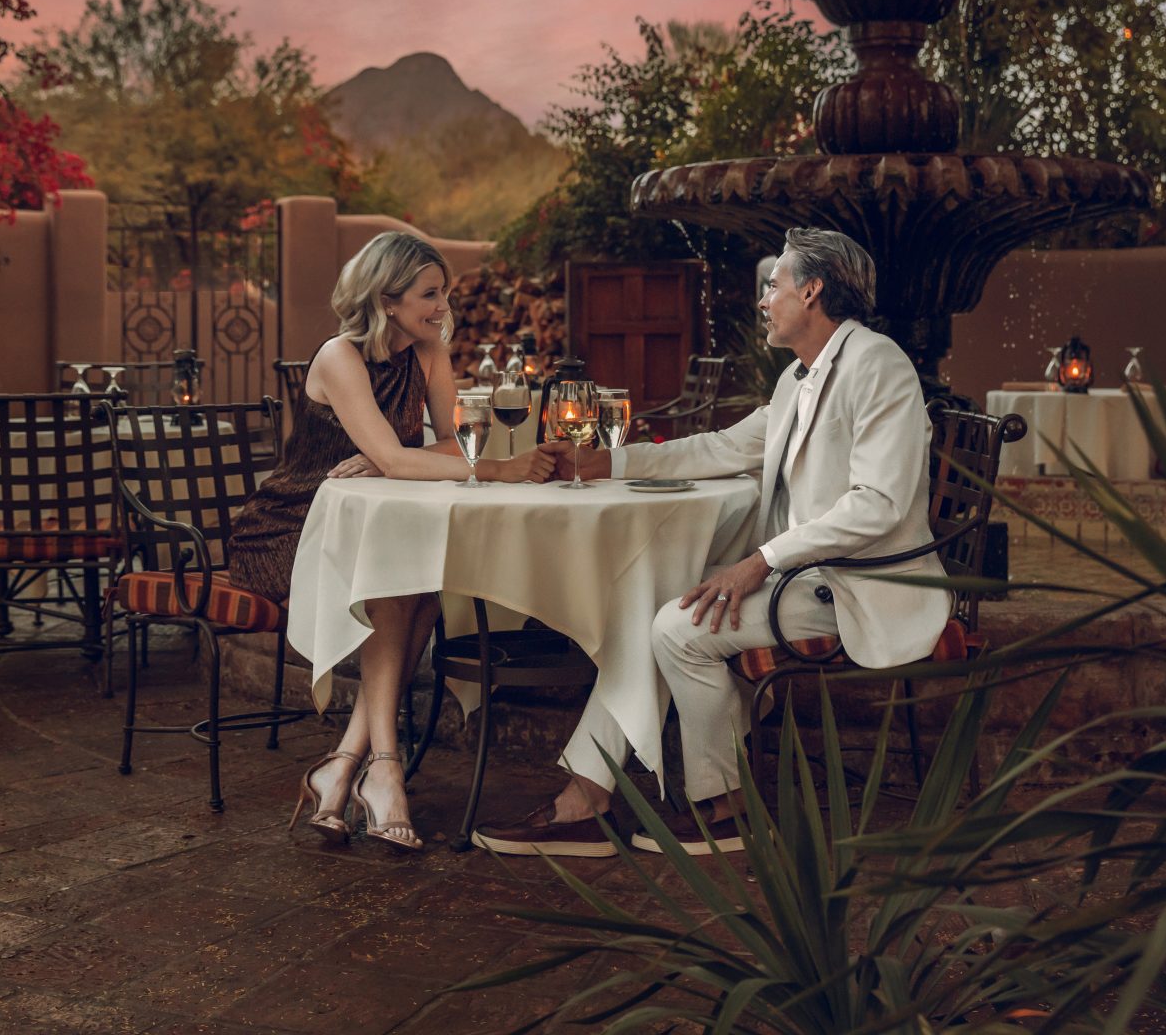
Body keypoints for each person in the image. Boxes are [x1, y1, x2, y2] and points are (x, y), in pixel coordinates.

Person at [473, 226, 945, 857]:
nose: (763, 299)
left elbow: (879, 504)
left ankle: (725, 812)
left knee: (677, 627)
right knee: (653, 600)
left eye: (773, 285)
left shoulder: (876, 363)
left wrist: (760, 561)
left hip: (860, 583)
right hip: (810, 576)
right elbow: (721, 448)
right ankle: (587, 797)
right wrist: (599, 466)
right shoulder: (800, 378)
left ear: (811, 291)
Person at [227, 231, 553, 852]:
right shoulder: (338, 356)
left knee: (416, 582)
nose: (442, 306)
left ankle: (356, 764)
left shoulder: (429, 352)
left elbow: (451, 446)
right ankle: (380, 767)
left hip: (371, 523)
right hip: (292, 525)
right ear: (387, 297)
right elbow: (425, 458)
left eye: (444, 293)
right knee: (407, 585)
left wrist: (390, 460)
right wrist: (481, 467)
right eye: (430, 294)